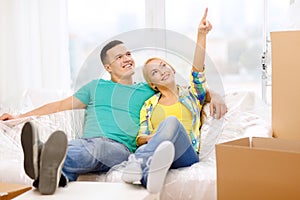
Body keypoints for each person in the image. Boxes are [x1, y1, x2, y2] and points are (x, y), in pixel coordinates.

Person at [0, 9, 226, 195]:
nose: (127, 59)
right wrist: (20, 116)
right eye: (119, 57)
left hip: (118, 149)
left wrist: (213, 94)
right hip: (87, 144)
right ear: (108, 67)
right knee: (85, 148)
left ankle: (44, 153)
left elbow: (185, 88)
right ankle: (52, 175)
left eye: (128, 54)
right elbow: (59, 105)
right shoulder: (94, 88)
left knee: (98, 146)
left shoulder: (147, 90)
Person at [121, 8, 221, 193]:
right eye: (155, 73)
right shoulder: (149, 105)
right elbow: (140, 138)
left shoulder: (191, 95)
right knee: (162, 142)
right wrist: (156, 138)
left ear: (173, 69)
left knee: (172, 123)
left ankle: (139, 163)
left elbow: (197, 72)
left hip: (185, 154)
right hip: (159, 153)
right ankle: (146, 174)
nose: (162, 71)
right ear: (153, 84)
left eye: (163, 66)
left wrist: (201, 35)